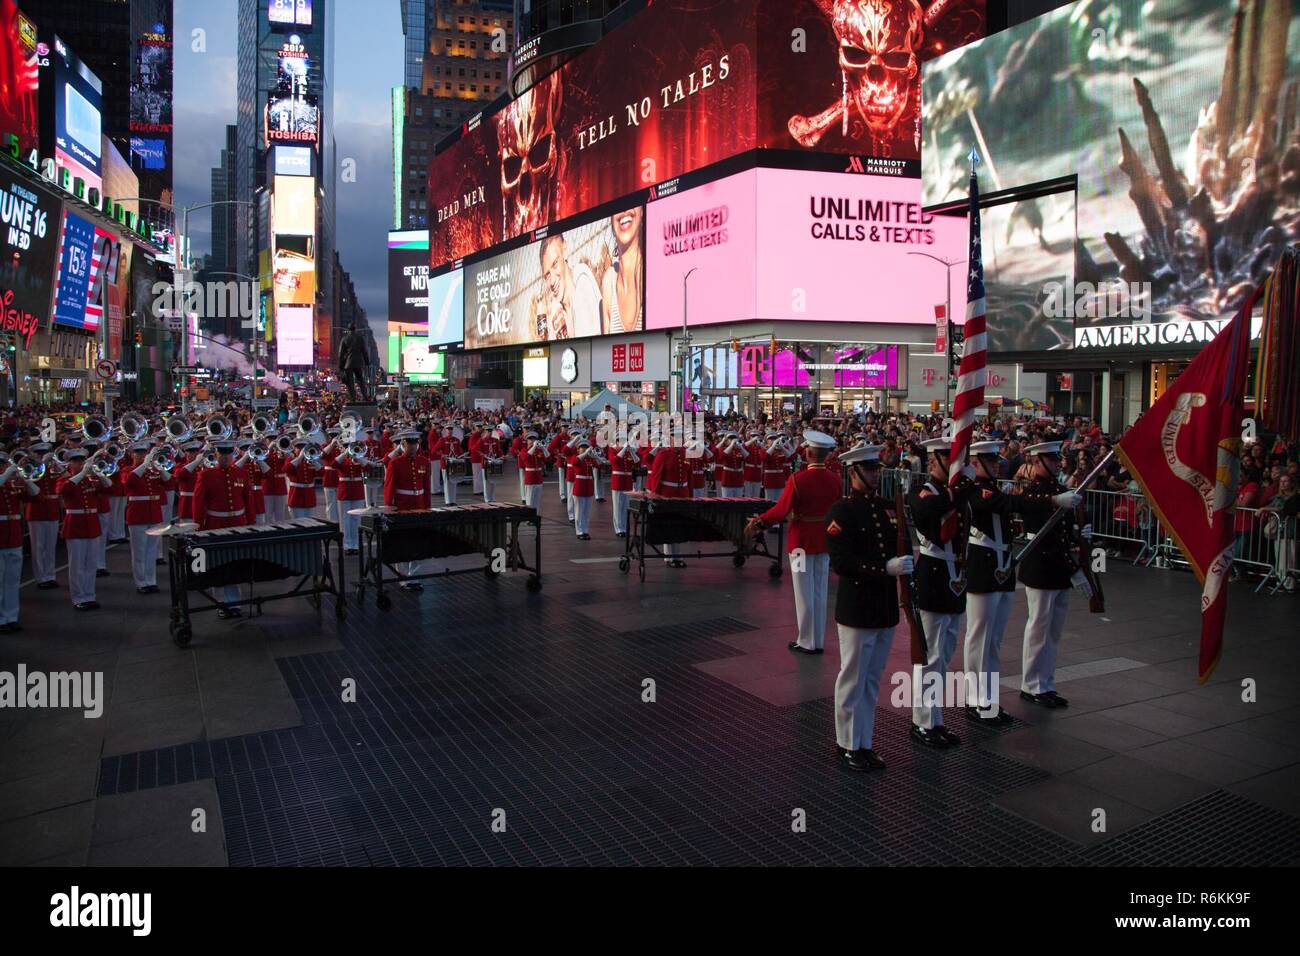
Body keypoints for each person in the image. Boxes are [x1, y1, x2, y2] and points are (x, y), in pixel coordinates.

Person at [825, 443, 913, 772]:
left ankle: (864, 742)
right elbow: (842, 563)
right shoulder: (842, 511)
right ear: (853, 472)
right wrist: (885, 569)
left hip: (883, 604)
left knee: (872, 678)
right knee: (853, 676)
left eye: (877, 468)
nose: (876, 473)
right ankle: (847, 742)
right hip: (858, 605)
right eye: (870, 469)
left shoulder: (887, 508)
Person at [907, 437, 976, 747]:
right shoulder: (925, 492)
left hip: (954, 576)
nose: (959, 465)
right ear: (936, 462)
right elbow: (927, 511)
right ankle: (922, 721)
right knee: (931, 654)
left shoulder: (954, 494)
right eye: (953, 460)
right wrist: (958, 490)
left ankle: (935, 719)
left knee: (945, 653)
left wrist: (961, 489)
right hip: (934, 575)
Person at [747, 431, 841, 654]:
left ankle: (806, 640)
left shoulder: (798, 480)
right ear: (827, 456)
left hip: (800, 543)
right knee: (820, 591)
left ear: (807, 453)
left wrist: (760, 522)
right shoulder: (835, 480)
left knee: (803, 591)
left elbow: (781, 510)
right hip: (824, 541)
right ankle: (817, 640)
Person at [1018, 442, 1089, 707]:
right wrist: (1055, 501)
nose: (1057, 463)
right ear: (1037, 462)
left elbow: (1064, 532)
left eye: (1056, 458)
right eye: (1050, 459)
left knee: (1053, 632)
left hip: (1059, 568)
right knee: (1038, 627)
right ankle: (1030, 684)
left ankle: (1045, 683)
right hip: (1040, 566)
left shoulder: (1060, 490)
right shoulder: (1035, 490)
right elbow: (1027, 503)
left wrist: (1082, 531)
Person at [962, 440, 1022, 722]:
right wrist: (1049, 499)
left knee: (994, 638)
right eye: (990, 460)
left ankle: (990, 698)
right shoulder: (974, 491)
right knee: (979, 636)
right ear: (975, 464)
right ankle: (975, 699)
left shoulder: (994, 489)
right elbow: (1005, 504)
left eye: (997, 459)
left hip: (1003, 565)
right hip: (982, 565)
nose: (998, 463)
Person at [192, 440, 252, 618]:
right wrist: (199, 526)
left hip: (238, 524)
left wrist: (250, 523)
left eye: (228, 454)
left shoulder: (240, 473)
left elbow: (248, 499)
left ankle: (235, 602)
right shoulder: (206, 475)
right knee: (217, 565)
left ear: (233, 455)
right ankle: (221, 603)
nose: (225, 458)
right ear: (216, 455)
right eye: (222, 454)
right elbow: (198, 503)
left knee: (235, 563)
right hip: (215, 525)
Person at [383, 430, 430, 591]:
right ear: (403, 445)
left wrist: (428, 507)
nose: (413, 448)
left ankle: (414, 576)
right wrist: (389, 508)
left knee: (417, 541)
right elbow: (389, 488)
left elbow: (426, 487)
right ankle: (403, 576)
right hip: (402, 506)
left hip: (419, 505)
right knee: (402, 542)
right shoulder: (395, 463)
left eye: (415, 445)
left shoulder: (424, 461)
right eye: (410, 446)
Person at [0, 454, 39, 630]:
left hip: (13, 536)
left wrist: (24, 477)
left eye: (3, 465)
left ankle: (11, 615)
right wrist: (8, 473)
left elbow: (35, 493)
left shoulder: (12, 484)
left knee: (12, 579)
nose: (2, 467)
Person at [123, 442, 167, 594]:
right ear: (131, 454)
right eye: (138, 453)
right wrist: (146, 463)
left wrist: (158, 467)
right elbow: (129, 481)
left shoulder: (152, 470)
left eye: (144, 453)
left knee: (151, 550)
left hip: (153, 513)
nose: (141, 455)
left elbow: (170, 482)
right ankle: (141, 582)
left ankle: (151, 580)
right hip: (137, 514)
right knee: (139, 551)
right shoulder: (128, 470)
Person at [24, 442, 62, 590]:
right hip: (37, 510)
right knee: (38, 545)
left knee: (50, 545)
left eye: (44, 453)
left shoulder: (53, 468)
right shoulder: (30, 468)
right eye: (38, 454)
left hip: (51, 509)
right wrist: (41, 464)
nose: (42, 456)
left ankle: (50, 575)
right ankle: (41, 577)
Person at [338, 324, 372, 403]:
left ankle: (353, 399)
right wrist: (367, 362)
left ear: (348, 329)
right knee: (361, 381)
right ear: (355, 329)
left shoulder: (345, 339)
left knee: (350, 383)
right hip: (358, 363)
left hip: (348, 364)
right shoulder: (360, 338)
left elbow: (341, 354)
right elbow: (365, 352)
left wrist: (340, 365)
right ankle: (365, 397)